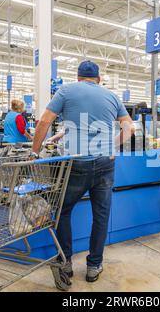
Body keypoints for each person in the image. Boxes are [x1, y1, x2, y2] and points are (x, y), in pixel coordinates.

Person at [31, 60, 134, 282]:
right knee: (101, 214)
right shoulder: (111, 96)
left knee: (62, 210)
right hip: (105, 163)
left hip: (76, 164)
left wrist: (34, 152)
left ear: (78, 77)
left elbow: (44, 122)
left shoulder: (67, 90)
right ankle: (94, 265)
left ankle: (65, 261)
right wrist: (113, 145)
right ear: (98, 79)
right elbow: (129, 127)